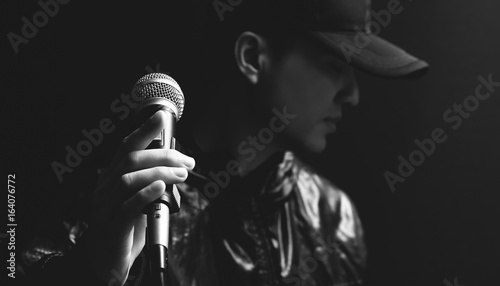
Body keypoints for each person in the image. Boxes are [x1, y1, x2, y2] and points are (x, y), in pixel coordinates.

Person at [26, 0, 428, 285]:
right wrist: (90, 275)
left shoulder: (334, 218)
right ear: (252, 57)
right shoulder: (127, 203)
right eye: (334, 66)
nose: (353, 95)